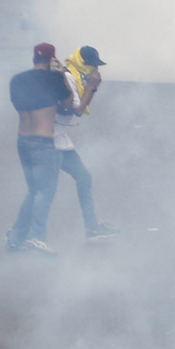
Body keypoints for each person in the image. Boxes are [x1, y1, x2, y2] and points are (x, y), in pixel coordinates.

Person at [8, 42, 95, 255]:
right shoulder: (55, 78)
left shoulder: (17, 80)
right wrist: (69, 79)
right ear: (51, 59)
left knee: (33, 191)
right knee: (44, 193)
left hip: (23, 140)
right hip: (43, 142)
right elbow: (71, 105)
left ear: (33, 58)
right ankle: (38, 237)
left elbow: (20, 104)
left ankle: (16, 238)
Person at [55, 46, 119, 241]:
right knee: (41, 192)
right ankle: (19, 234)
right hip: (49, 140)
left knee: (83, 177)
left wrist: (90, 87)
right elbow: (77, 110)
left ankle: (91, 228)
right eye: (91, 66)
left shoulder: (73, 77)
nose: (94, 70)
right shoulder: (70, 79)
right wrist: (92, 87)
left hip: (58, 138)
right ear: (83, 64)